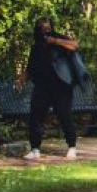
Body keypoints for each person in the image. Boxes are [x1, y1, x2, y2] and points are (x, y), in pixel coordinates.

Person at [17, 18, 81, 161]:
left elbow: (75, 45)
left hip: (61, 86)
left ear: (51, 27)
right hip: (42, 86)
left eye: (47, 27)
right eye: (42, 28)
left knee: (64, 115)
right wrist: (22, 79)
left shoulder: (59, 39)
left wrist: (55, 41)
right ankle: (35, 149)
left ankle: (72, 147)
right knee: (35, 117)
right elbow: (31, 67)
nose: (45, 30)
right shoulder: (37, 46)